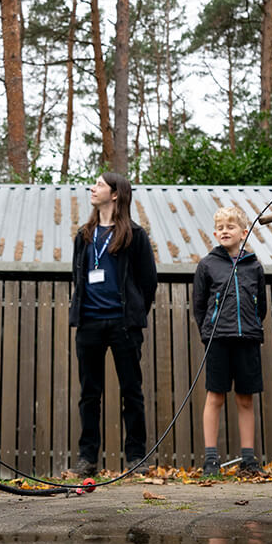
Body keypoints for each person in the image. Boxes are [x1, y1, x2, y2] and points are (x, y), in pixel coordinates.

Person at [69, 172, 158, 477]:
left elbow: (148, 282)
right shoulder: (84, 234)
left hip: (123, 325)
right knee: (89, 393)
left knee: (131, 391)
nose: (92, 189)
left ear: (116, 194)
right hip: (89, 323)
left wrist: (132, 314)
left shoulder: (135, 235)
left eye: (99, 185)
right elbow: (77, 277)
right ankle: (87, 458)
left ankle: (136, 457)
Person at [192, 205, 267, 477]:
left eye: (231, 226)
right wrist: (208, 331)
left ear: (243, 232)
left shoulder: (255, 266)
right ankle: (211, 459)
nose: (225, 231)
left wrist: (252, 325)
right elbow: (199, 306)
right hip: (218, 339)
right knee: (215, 396)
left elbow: (262, 307)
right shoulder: (207, 265)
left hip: (247, 337)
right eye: (220, 227)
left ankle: (249, 459)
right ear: (215, 233)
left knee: (246, 398)